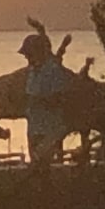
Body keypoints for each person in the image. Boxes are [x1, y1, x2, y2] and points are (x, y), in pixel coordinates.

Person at [19, 33, 69, 169]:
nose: (27, 58)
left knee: (44, 165)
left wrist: (38, 100)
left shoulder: (53, 71)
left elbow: (60, 99)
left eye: (29, 54)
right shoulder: (31, 72)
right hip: (34, 128)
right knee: (36, 167)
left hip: (49, 129)